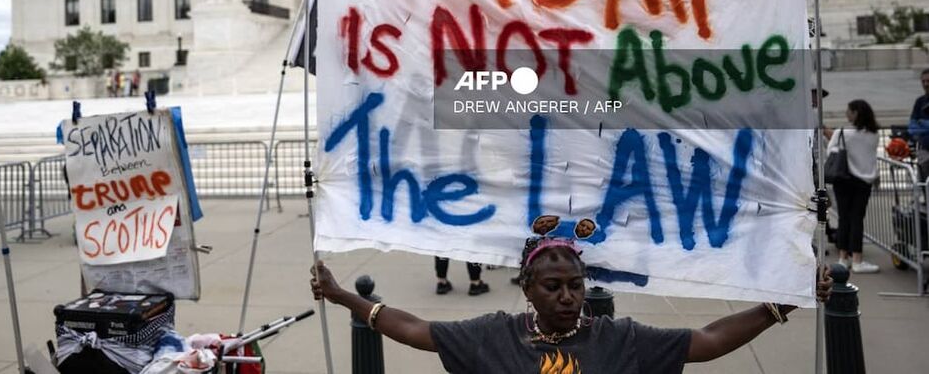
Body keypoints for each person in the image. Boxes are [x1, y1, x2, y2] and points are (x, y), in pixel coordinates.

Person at [311, 223, 833, 374]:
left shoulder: (618, 340)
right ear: (527, 290)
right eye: (553, 287)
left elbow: (708, 340)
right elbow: (414, 330)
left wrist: (780, 304)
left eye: (576, 286)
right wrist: (341, 297)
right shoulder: (494, 335)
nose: (568, 297)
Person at [824, 99, 881, 273]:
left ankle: (843, 258)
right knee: (857, 219)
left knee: (844, 218)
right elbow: (871, 157)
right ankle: (857, 259)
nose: (846, 114)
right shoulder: (874, 134)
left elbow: (831, 151)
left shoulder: (843, 132)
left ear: (855, 113)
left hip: (843, 179)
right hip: (864, 181)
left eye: (848, 111)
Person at [909, 67, 929, 181]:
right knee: (923, 180)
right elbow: (912, 127)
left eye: (928, 81)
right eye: (923, 81)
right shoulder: (920, 102)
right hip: (924, 150)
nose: (926, 84)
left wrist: (924, 124)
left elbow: (917, 124)